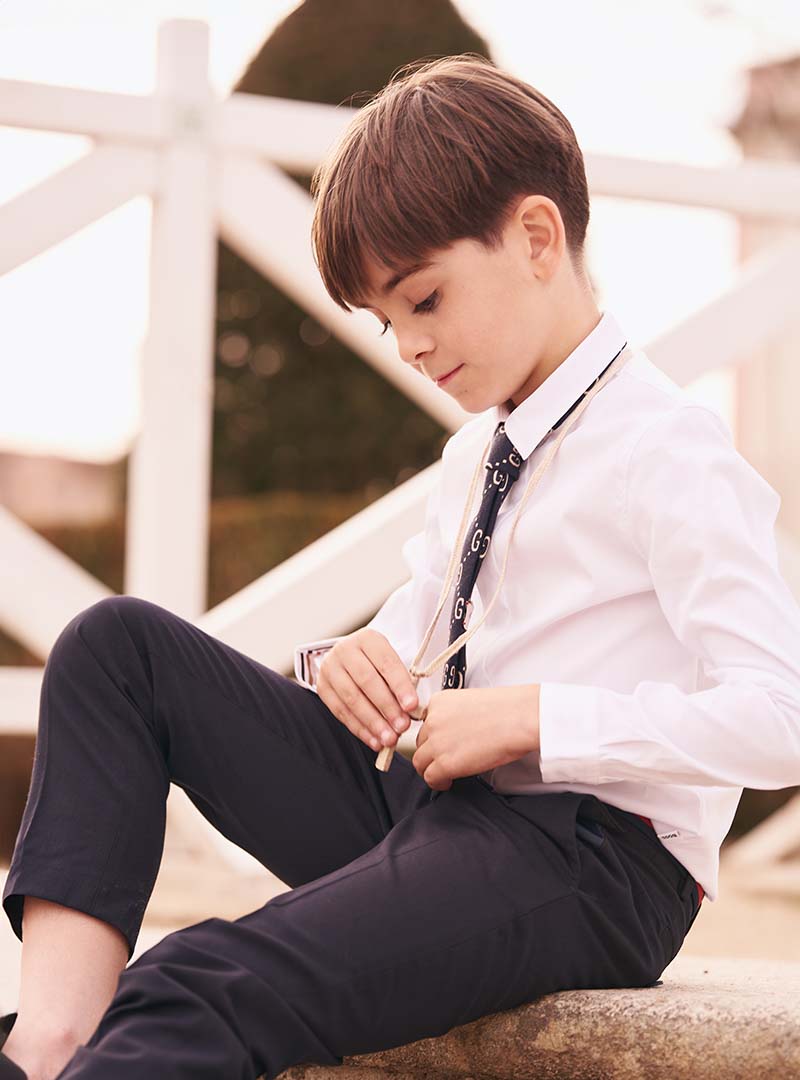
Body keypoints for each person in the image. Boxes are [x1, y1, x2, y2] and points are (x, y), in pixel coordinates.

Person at [3, 52, 800, 1080]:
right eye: (386, 321)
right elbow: (415, 629)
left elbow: (779, 718)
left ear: (534, 238)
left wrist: (535, 717)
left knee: (197, 975)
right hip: (436, 812)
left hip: (594, 862)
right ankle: (47, 1044)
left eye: (423, 300)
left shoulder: (670, 450)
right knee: (113, 647)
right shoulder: (476, 453)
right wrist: (351, 661)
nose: (407, 347)